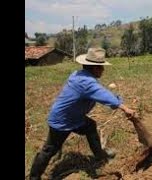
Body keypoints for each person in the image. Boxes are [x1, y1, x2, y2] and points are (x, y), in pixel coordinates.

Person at [29, 47, 136, 180]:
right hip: (62, 121)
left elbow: (99, 91)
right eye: (101, 67)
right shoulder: (86, 82)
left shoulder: (78, 74)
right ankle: (34, 177)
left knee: (90, 126)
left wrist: (117, 100)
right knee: (49, 150)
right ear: (94, 68)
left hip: (74, 118)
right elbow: (102, 94)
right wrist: (124, 107)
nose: (103, 70)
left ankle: (100, 156)